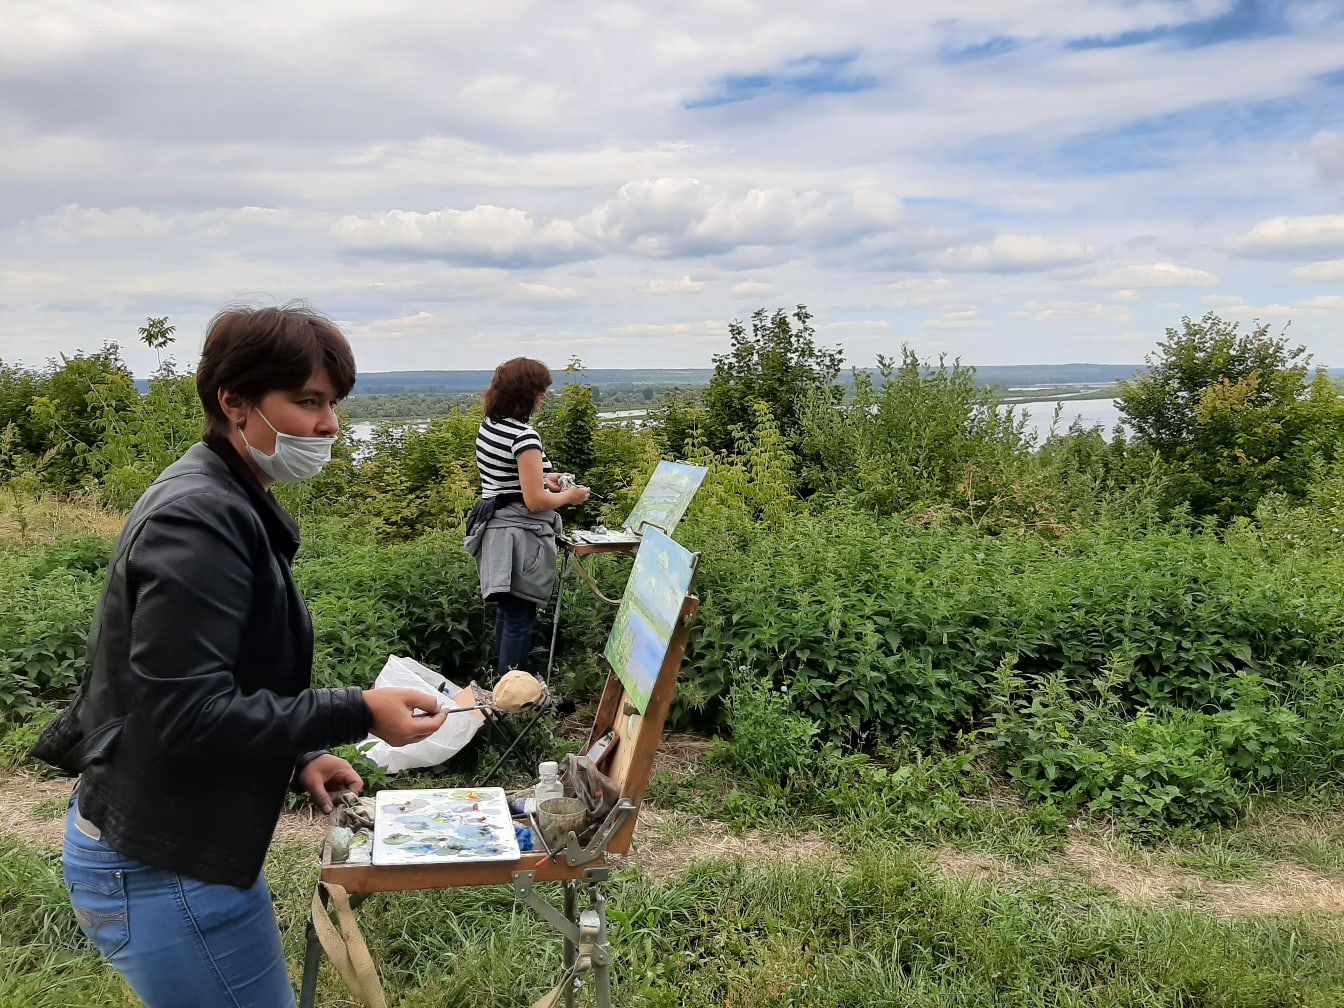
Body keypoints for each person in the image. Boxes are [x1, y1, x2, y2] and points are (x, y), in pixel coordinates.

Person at [48, 305, 448, 1008]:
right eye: (308, 402)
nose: (329, 426)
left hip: (176, 842)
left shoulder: (225, 496)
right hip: (161, 863)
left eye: (334, 406)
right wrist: (357, 711)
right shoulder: (197, 519)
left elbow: (198, 682)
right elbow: (185, 713)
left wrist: (295, 756)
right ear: (233, 402)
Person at [465, 357, 590, 679]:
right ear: (525, 393)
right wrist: (569, 496)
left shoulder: (490, 426)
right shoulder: (524, 436)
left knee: (508, 614)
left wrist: (546, 477)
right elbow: (535, 502)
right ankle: (513, 698)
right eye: (540, 390)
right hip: (519, 534)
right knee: (520, 619)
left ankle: (500, 688)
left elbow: (507, 481)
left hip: (495, 529)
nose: (544, 397)